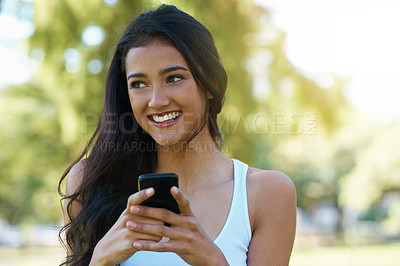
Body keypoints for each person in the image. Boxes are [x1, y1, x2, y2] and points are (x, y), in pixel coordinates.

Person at [58, 4, 296, 266]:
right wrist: (99, 260)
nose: (156, 101)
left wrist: (213, 260)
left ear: (211, 84)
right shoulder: (89, 183)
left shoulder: (266, 193)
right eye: (138, 84)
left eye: (173, 78)